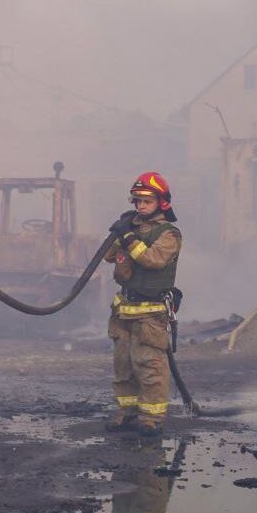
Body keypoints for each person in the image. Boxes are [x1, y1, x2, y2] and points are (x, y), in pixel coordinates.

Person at [104, 172, 182, 435]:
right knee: (123, 366)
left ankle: (151, 419)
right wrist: (119, 233)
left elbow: (152, 260)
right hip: (123, 309)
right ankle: (127, 413)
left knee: (149, 366)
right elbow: (108, 257)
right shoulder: (130, 228)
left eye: (146, 201)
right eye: (137, 201)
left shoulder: (169, 234)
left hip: (150, 314)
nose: (140, 206)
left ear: (161, 202)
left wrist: (129, 238)